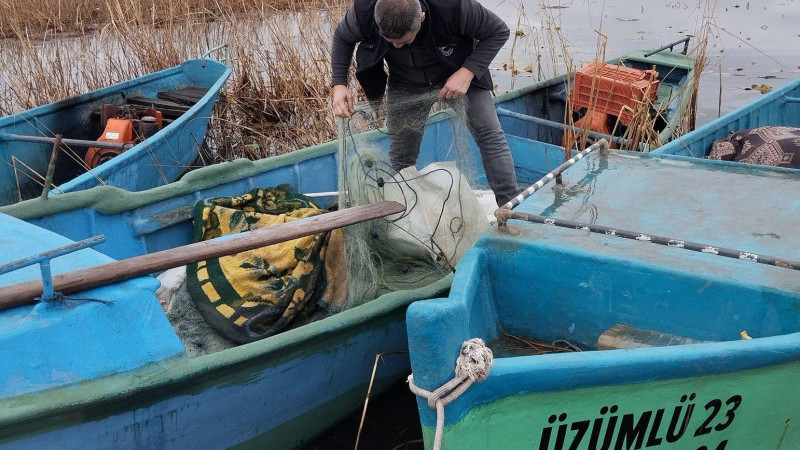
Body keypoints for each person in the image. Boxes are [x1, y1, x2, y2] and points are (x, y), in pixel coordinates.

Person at [330, 0, 520, 206]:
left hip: (457, 75)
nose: (396, 46)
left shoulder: (455, 7)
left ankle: (510, 207)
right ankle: (402, 213)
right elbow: (342, 37)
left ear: (421, 16)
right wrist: (339, 84)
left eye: (403, 41)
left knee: (490, 135)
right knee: (401, 154)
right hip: (406, 82)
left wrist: (468, 72)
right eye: (390, 41)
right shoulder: (364, 10)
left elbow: (498, 31)